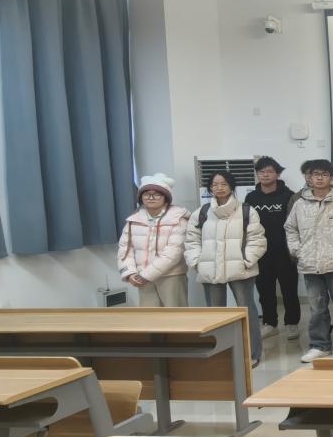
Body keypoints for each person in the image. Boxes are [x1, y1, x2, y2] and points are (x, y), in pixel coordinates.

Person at [185, 171, 267, 367]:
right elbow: (191, 240)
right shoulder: (201, 212)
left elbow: (257, 239)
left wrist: (246, 260)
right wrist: (197, 262)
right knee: (216, 314)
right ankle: (220, 353)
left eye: (223, 184)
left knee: (247, 311)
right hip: (210, 269)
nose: (219, 187)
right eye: (214, 184)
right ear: (210, 188)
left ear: (231, 186)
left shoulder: (247, 210)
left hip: (241, 269)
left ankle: (252, 353)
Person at [286, 159, 333, 363]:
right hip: (310, 265)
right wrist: (298, 250)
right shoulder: (300, 204)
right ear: (309, 178)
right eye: (315, 174)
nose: (319, 178)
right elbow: (290, 229)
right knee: (317, 309)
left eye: (324, 174)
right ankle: (320, 345)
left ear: (332, 178)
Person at [246, 157, 300, 339]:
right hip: (260, 252)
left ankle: (292, 323)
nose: (265, 175)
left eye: (269, 171)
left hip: (285, 251)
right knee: (265, 290)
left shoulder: (289, 196)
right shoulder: (251, 198)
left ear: (278, 174)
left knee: (289, 289)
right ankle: (270, 323)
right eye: (261, 172)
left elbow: (295, 224)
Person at [118, 173, 190, 307]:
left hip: (171, 276)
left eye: (156, 194)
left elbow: (174, 253)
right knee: (149, 316)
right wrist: (130, 273)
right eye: (146, 194)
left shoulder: (178, 218)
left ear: (166, 197)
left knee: (176, 316)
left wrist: (147, 275)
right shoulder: (133, 219)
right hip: (141, 277)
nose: (150, 198)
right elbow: (125, 250)